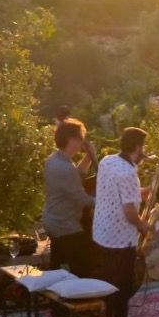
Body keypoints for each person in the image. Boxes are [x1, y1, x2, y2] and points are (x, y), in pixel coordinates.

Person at [93, 127, 152, 317]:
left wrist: (140, 192)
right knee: (123, 283)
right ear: (137, 147)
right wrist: (144, 225)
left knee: (109, 280)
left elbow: (116, 192)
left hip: (103, 231)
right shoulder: (128, 173)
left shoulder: (107, 161)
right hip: (119, 236)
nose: (144, 151)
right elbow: (129, 212)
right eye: (143, 146)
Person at [43, 119, 98, 278]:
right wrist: (107, 203)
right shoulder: (63, 167)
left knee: (59, 269)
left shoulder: (55, 159)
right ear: (72, 140)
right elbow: (82, 200)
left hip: (53, 220)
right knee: (82, 271)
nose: (83, 143)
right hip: (65, 225)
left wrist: (89, 157)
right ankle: (83, 297)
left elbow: (76, 176)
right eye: (81, 138)